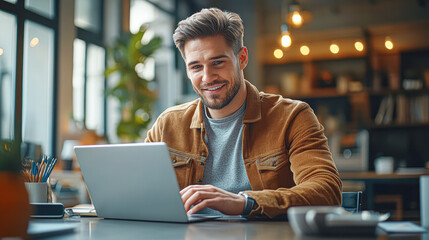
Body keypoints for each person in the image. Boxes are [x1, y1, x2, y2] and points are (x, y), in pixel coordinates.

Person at [145, 7, 342, 219]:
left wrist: (245, 202)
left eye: (218, 62)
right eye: (195, 67)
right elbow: (137, 190)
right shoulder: (167, 124)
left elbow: (326, 191)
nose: (207, 77)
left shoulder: (293, 117)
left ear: (242, 59)